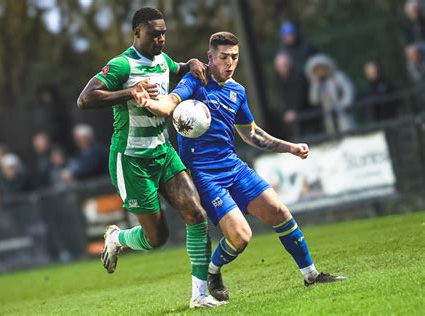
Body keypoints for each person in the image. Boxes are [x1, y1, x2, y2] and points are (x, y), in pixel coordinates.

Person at [132, 31, 346, 301]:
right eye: (223, 57)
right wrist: (149, 102)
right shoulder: (195, 81)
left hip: (233, 167)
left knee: (279, 211)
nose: (230, 63)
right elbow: (170, 103)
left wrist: (289, 147)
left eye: (234, 57)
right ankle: (213, 271)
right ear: (210, 57)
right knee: (241, 237)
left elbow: (251, 134)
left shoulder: (237, 91)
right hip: (203, 175)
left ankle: (311, 274)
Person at [77, 7, 223, 308]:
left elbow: (177, 66)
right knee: (157, 238)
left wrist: (192, 63)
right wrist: (129, 93)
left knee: (196, 214)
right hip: (130, 159)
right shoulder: (120, 65)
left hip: (163, 151)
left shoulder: (161, 60)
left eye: (164, 33)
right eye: (155, 33)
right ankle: (117, 239)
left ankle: (200, 296)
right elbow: (85, 99)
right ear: (137, 33)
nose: (161, 38)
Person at [305, 54, 356, 136]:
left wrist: (344, 104)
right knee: (333, 136)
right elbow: (314, 100)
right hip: (329, 116)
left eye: (321, 68)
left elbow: (348, 90)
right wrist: (315, 85)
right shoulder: (316, 84)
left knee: (348, 134)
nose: (319, 71)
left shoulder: (337, 77)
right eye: (316, 70)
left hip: (342, 112)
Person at [272, 52, 317, 138]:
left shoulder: (299, 76)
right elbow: (280, 98)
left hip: (305, 113)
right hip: (289, 117)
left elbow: (301, 95)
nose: (283, 68)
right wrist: (285, 111)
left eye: (285, 64)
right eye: (280, 66)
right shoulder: (278, 80)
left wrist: (294, 110)